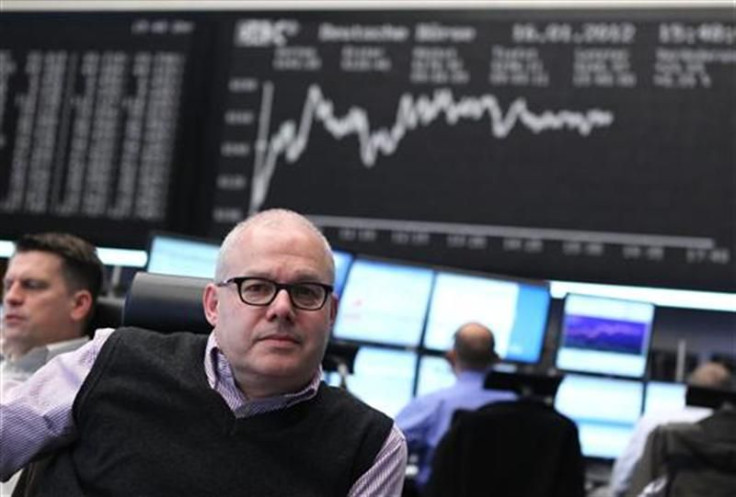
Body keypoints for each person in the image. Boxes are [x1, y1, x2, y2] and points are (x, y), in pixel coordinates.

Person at [0, 209, 407, 496]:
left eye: (305, 292)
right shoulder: (110, 359)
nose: (282, 308)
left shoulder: (371, 446)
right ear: (212, 305)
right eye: (257, 287)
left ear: (330, 312)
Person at [395, 322, 516, 492]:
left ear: (451, 357)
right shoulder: (522, 408)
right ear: (496, 358)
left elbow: (386, 444)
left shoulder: (434, 403)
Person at [609, 361, 733, 497]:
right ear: (727, 396)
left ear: (688, 388)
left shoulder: (655, 421)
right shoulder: (729, 433)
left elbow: (621, 480)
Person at [1, 232, 104, 396]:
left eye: (32, 285)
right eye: (8, 285)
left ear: (79, 304)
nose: (11, 297)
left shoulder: (91, 389)